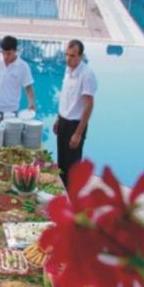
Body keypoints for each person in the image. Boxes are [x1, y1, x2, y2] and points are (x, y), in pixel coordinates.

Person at [54, 39, 96, 188]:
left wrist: (78, 133)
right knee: (61, 165)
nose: (68, 59)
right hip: (64, 122)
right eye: (67, 55)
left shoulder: (87, 75)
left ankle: (72, 203)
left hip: (75, 125)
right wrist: (58, 118)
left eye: (72, 56)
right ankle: (62, 199)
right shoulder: (68, 70)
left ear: (81, 56)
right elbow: (66, 97)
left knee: (72, 168)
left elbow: (89, 105)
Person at [0, 35, 35, 117]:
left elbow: (28, 88)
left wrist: (31, 103)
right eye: (3, 53)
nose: (5, 56)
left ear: (15, 51)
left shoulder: (23, 66)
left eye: (9, 54)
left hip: (11, 111)